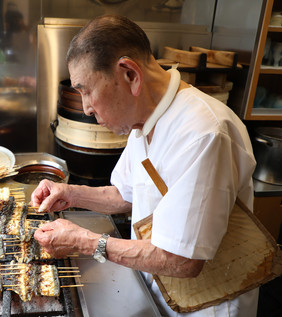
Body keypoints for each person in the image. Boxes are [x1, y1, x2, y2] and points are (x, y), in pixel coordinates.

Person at [31, 15, 259, 317]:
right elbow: (126, 195)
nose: (85, 107)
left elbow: (183, 260)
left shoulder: (205, 132)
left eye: (86, 90)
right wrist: (70, 193)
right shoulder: (142, 121)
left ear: (129, 75)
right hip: (159, 290)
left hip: (207, 305)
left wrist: (84, 242)